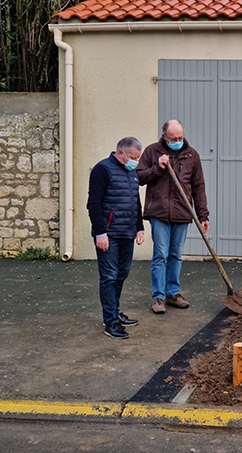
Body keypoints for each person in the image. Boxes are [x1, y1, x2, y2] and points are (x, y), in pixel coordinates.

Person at [137, 119, 208, 314]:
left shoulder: (192, 155)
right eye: (173, 138)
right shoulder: (152, 152)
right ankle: (158, 297)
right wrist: (157, 167)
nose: (177, 141)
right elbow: (139, 177)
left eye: (180, 137)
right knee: (161, 254)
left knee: (176, 255)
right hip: (158, 212)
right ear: (164, 137)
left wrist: (203, 215)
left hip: (182, 212)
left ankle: (172, 293)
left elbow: (198, 187)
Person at [86, 137, 145, 339]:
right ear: (121, 153)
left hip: (127, 233)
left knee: (121, 275)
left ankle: (115, 313)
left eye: (138, 158)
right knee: (109, 277)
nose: (136, 161)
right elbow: (93, 203)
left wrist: (139, 228)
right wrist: (100, 232)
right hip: (109, 235)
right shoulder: (102, 169)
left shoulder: (131, 172)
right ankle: (110, 322)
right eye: (133, 157)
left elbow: (135, 201)